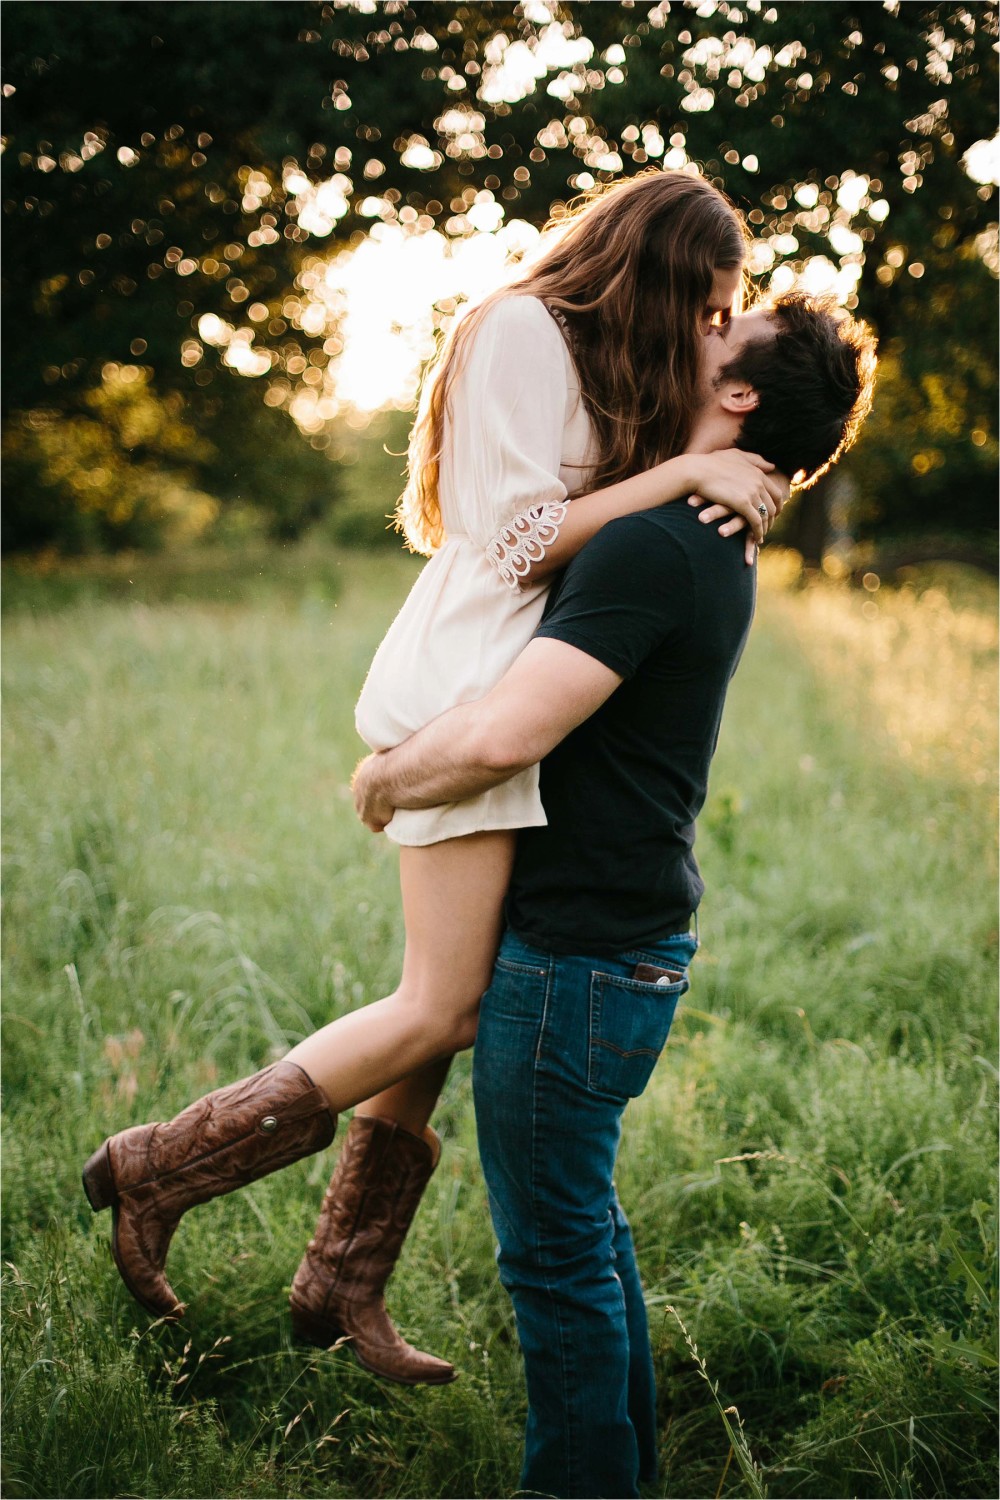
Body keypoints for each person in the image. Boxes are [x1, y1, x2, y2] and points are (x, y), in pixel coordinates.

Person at [82, 170, 787, 1385]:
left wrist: (716, 454)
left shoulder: (616, 362)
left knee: (451, 1005)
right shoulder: (518, 326)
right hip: (467, 681)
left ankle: (343, 1278)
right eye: (710, 302)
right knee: (444, 1003)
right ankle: (153, 1172)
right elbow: (510, 541)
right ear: (660, 269)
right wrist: (680, 475)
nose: (711, 328)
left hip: (516, 689)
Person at [350, 292, 877, 1496]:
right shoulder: (702, 520)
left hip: (576, 959)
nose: (696, 329)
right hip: (622, 945)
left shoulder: (659, 539)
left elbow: (507, 732)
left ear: (738, 394)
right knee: (584, 1239)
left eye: (718, 332)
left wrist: (389, 776)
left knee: (552, 1262)